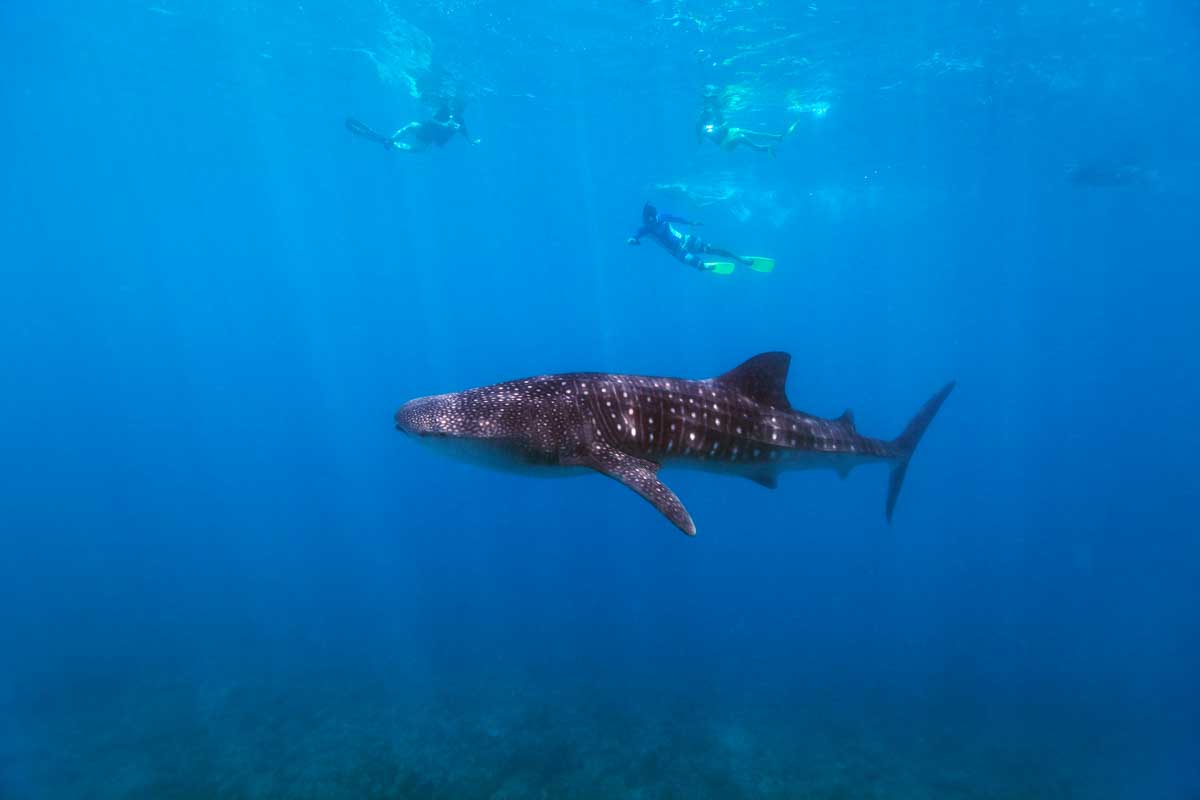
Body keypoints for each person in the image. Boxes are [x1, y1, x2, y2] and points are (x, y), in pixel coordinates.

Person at [628, 203, 773, 275]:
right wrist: (633, 240)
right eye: (649, 222)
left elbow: (677, 218)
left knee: (710, 248)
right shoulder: (645, 229)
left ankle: (741, 259)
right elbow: (635, 236)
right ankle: (705, 266)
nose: (653, 223)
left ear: (656, 216)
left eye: (654, 220)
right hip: (678, 252)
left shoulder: (662, 216)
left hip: (685, 240)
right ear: (645, 220)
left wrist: (691, 222)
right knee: (701, 267)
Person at [345, 101, 480, 152]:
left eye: (462, 108)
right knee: (411, 126)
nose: (460, 109)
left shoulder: (460, 120)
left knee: (418, 150)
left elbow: (464, 131)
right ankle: (391, 140)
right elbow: (431, 120)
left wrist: (471, 141)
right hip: (423, 128)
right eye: (459, 106)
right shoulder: (445, 109)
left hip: (427, 139)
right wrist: (445, 125)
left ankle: (390, 143)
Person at [695, 93, 798, 156]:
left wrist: (722, 125)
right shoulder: (701, 124)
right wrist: (705, 135)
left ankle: (777, 137)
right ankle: (763, 148)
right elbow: (702, 138)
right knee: (741, 137)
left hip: (729, 132)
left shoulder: (714, 113)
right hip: (724, 143)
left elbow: (722, 118)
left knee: (753, 133)